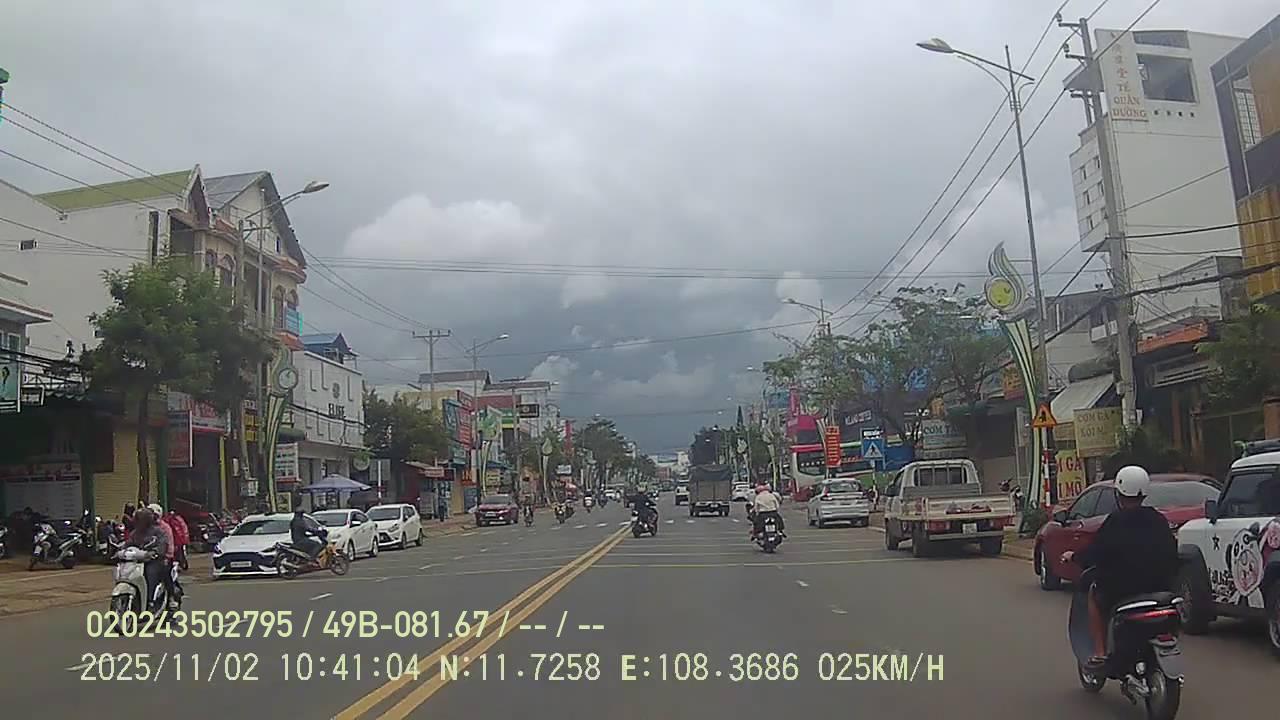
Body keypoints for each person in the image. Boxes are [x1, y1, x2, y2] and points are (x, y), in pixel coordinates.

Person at [1061, 465, 1178, 666]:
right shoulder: (1158, 519)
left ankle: (1100, 653)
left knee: (1094, 596)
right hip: (1160, 587)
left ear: (1119, 493)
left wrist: (1074, 557)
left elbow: (1097, 553)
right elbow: (1172, 550)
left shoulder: (1115, 521)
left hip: (1122, 590)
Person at [125, 508, 170, 611]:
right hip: (137, 561)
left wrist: (154, 552)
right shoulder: (135, 533)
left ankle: (150, 600)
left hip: (154, 561)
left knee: (150, 573)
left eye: (141, 520)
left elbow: (163, 545)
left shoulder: (158, 532)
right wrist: (120, 550)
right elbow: (128, 543)